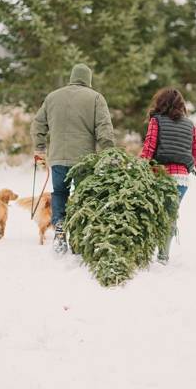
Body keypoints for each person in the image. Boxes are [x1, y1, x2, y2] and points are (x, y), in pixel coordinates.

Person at [31, 63, 116, 254]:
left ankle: (59, 224)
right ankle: (78, 234)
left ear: (72, 78)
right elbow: (104, 129)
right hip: (84, 160)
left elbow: (37, 126)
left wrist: (40, 151)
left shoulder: (52, 97)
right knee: (82, 195)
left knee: (60, 192)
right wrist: (111, 153)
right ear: (88, 80)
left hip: (58, 158)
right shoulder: (95, 98)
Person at [139, 87, 196, 265]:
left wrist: (141, 166)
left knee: (154, 211)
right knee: (170, 214)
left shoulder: (156, 120)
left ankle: (146, 250)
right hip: (181, 179)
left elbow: (149, 146)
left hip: (159, 175)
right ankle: (163, 254)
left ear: (160, 102)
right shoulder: (190, 125)